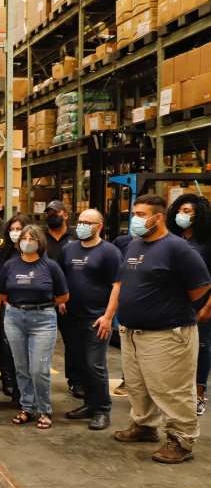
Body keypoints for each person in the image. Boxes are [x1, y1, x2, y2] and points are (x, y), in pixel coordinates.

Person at [113, 195, 211, 463]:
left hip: (168, 333)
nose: (135, 219)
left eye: (141, 214)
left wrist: (165, 305)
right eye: (134, 213)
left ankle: (181, 440)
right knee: (138, 386)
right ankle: (144, 425)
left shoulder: (179, 249)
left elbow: (200, 288)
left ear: (158, 218)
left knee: (172, 390)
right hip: (133, 332)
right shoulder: (135, 246)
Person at [0, 224, 69, 431]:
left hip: (43, 319)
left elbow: (63, 296)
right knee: (22, 368)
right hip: (15, 318)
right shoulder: (10, 265)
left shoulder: (51, 266)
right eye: (24, 238)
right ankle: (28, 407)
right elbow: (0, 293)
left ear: (40, 242)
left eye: (32, 238)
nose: (27, 241)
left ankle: (44, 409)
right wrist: (21, 307)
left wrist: (40, 307)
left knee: (39, 369)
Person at [59, 209, 122, 430]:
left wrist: (108, 317)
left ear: (99, 227)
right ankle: (90, 404)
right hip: (71, 316)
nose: (82, 225)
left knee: (94, 364)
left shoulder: (109, 252)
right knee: (80, 364)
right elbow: (62, 278)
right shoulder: (68, 249)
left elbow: (118, 285)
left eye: (88, 222)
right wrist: (61, 299)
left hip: (97, 319)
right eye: (80, 221)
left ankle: (103, 410)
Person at [168, 194, 211, 416]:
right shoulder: (171, 238)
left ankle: (198, 394)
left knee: (201, 347)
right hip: (172, 303)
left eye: (187, 211)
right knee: (173, 347)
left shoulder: (206, 242)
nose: (181, 215)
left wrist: (208, 307)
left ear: (199, 215)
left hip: (201, 303)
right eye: (179, 210)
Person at [43, 200, 82, 399]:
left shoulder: (76, 237)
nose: (51, 215)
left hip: (69, 299)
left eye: (55, 212)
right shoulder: (40, 236)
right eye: (48, 212)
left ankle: (75, 381)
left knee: (73, 342)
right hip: (43, 299)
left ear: (65, 215)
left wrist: (65, 296)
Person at [0, 214, 32, 407]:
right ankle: (10, 383)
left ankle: (28, 392)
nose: (16, 233)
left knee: (29, 353)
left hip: (32, 311)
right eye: (13, 229)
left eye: (20, 229)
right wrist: (7, 306)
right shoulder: (5, 255)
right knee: (8, 348)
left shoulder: (37, 253)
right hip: (8, 309)